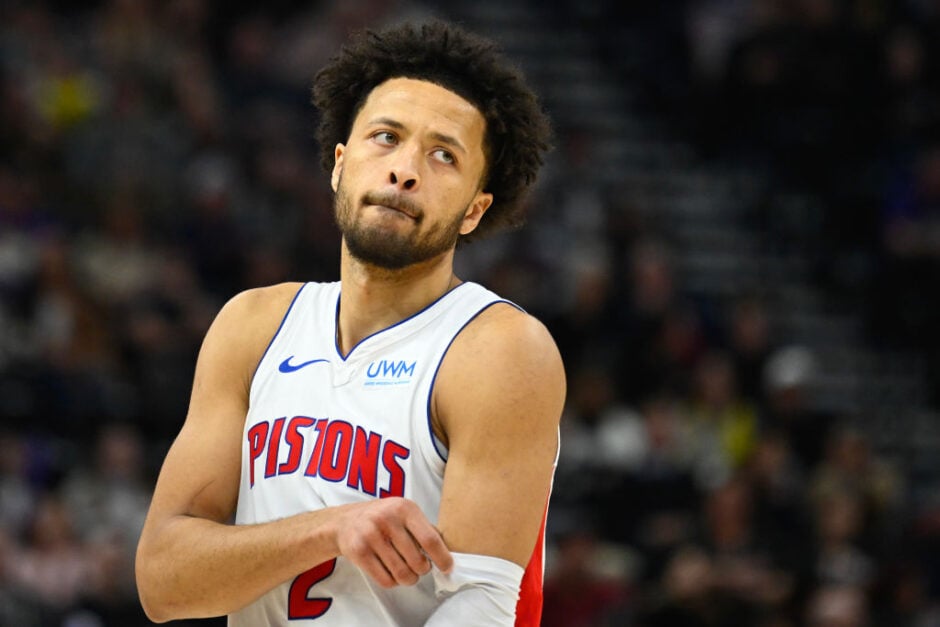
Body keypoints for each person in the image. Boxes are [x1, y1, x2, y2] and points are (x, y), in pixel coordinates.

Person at [134, 20, 564, 627]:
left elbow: (480, 608)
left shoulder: (498, 349)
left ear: (474, 210)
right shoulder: (251, 325)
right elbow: (162, 583)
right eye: (385, 137)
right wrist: (332, 529)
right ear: (339, 165)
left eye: (444, 155)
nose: (405, 170)